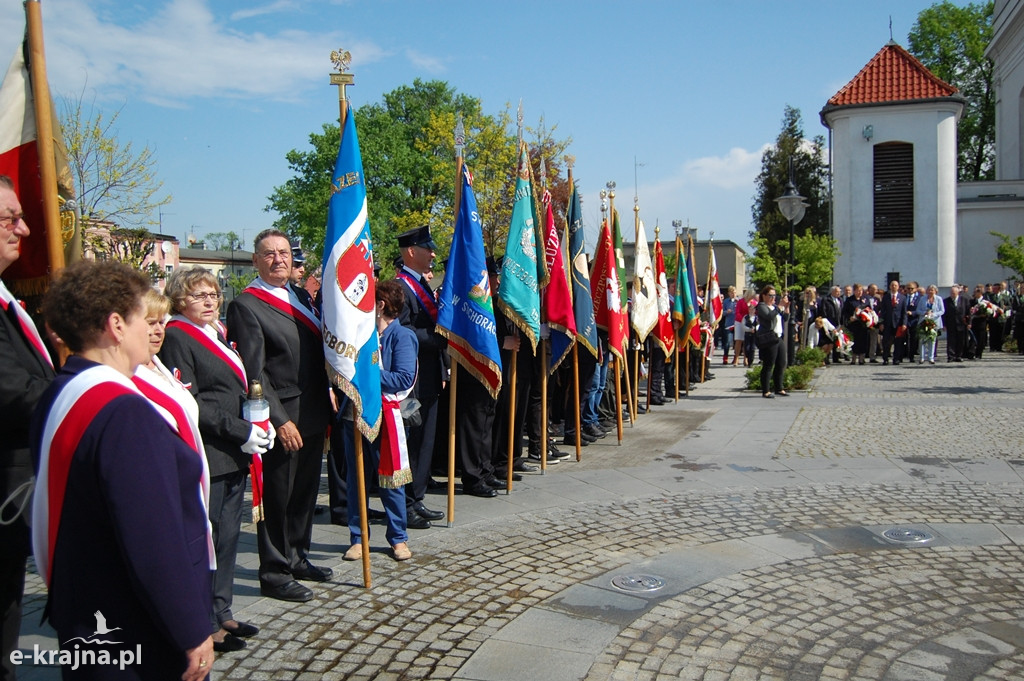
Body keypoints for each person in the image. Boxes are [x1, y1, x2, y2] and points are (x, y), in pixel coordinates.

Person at [32, 260, 213, 679]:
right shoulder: (124, 412)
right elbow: (152, 535)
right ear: (116, 325)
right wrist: (190, 628)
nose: (150, 329)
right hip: (131, 623)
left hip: (84, 606)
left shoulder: (63, 390)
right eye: (140, 317)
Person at [160, 266, 268, 651]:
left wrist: (255, 423)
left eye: (212, 295)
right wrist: (242, 431)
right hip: (209, 450)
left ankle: (222, 610)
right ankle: (204, 623)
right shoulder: (176, 335)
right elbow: (191, 402)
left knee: (228, 536)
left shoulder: (216, 332)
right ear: (179, 300)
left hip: (232, 450)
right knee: (208, 538)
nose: (208, 301)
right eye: (198, 296)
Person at [227, 229, 331, 603]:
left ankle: (298, 556)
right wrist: (279, 419)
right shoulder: (247, 305)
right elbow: (254, 374)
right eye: (268, 254)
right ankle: (273, 571)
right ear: (256, 260)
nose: (278, 260)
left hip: (315, 410)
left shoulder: (299, 295)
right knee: (278, 497)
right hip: (283, 415)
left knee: (303, 493)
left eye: (284, 253)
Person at [0, 176, 55, 681]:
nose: (25, 227)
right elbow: (13, 390)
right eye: (8, 218)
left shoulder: (8, 300)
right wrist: (88, 395)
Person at [342, 280, 414, 562]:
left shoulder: (402, 336)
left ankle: (398, 537)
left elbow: (403, 378)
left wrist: (366, 373)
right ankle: (358, 538)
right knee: (356, 478)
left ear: (381, 305)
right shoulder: (361, 335)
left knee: (390, 479)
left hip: (386, 417)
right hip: (356, 414)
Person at [395, 226, 449, 524]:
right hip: (410, 382)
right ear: (412, 251)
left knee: (425, 441)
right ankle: (405, 504)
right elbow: (401, 331)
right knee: (411, 442)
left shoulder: (421, 285)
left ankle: (416, 498)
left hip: (429, 376)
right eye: (427, 248)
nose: (433, 254)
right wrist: (438, 337)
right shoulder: (400, 288)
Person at [755, 284, 788, 398]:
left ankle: (779, 387)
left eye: (774, 296)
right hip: (769, 337)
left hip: (778, 337)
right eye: (770, 295)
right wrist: (779, 306)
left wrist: (786, 307)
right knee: (769, 364)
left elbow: (785, 317)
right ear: (764, 296)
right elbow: (769, 316)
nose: (773, 298)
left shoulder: (775, 306)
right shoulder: (761, 306)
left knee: (781, 362)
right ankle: (766, 390)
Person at [877, 279, 908, 365]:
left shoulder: (903, 298)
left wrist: (904, 323)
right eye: (892, 285)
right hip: (887, 323)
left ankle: (896, 359)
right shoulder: (886, 297)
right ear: (890, 287)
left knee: (898, 342)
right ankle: (885, 358)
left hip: (898, 323)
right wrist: (881, 323)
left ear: (898, 287)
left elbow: (904, 312)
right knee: (886, 342)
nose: (894, 287)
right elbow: (882, 311)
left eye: (895, 285)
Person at [916, 285, 945, 364]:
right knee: (922, 340)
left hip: (934, 322)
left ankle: (931, 357)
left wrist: (933, 314)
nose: (930, 292)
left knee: (932, 340)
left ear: (935, 291)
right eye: (929, 290)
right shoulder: (922, 299)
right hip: (923, 322)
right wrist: (924, 313)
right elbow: (918, 310)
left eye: (932, 290)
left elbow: (942, 311)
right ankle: (922, 357)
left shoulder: (939, 299)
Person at [842, 283, 869, 365]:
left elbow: (869, 309)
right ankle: (853, 359)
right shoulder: (850, 300)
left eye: (861, 291)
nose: (860, 292)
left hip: (863, 324)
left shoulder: (865, 299)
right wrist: (850, 317)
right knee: (854, 341)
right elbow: (844, 311)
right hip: (853, 324)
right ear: (854, 291)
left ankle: (861, 359)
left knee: (863, 341)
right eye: (858, 291)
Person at [943, 284, 969, 362]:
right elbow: (944, 314)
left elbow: (968, 313)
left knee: (960, 341)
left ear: (958, 292)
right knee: (951, 341)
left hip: (961, 323)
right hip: (950, 324)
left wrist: (969, 323)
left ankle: (958, 356)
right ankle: (951, 356)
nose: (952, 294)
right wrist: (944, 324)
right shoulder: (946, 301)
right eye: (951, 292)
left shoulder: (964, 300)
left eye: (954, 293)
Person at [817, 286, 842, 365]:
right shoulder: (826, 299)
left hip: (837, 323)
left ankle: (836, 357)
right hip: (828, 323)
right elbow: (824, 311)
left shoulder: (840, 300)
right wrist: (826, 322)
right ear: (832, 292)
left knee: (836, 341)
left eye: (839, 291)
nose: (839, 293)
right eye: (837, 291)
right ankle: (825, 358)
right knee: (828, 341)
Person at [732, 289, 752, 366]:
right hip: (739, 322)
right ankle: (736, 358)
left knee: (746, 341)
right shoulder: (741, 301)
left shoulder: (753, 302)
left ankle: (745, 358)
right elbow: (737, 312)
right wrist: (743, 319)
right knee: (739, 340)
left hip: (748, 322)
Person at [969, 285, 989, 359]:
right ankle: (971, 353)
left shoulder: (985, 301)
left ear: (980, 293)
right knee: (973, 338)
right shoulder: (972, 301)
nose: (975, 293)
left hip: (982, 322)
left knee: (981, 339)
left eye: (977, 292)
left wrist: (985, 314)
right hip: (974, 321)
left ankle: (979, 353)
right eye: (974, 292)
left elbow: (990, 310)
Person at [719, 286, 736, 364]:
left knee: (737, 342)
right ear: (729, 293)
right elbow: (721, 312)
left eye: (734, 292)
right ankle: (725, 357)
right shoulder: (726, 301)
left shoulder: (738, 301)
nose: (733, 294)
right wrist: (726, 312)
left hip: (737, 324)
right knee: (727, 342)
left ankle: (736, 358)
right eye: (732, 292)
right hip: (728, 324)